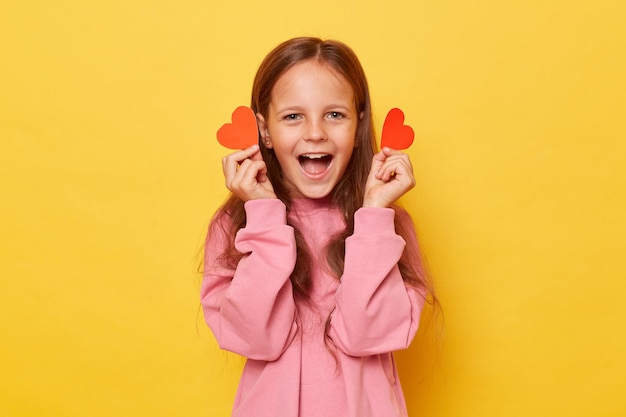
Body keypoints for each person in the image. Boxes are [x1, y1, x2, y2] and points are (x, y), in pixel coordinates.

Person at [201, 37, 436, 417]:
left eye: (334, 115)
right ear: (264, 131)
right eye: (293, 116)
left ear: (359, 125)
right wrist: (263, 216)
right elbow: (256, 339)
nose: (315, 133)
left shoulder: (387, 225)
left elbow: (366, 335)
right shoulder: (237, 225)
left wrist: (374, 215)